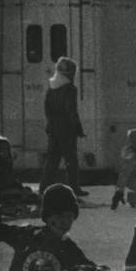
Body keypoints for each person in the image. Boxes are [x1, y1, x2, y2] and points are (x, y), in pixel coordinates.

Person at [41, 57, 87, 197]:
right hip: (66, 128)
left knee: (52, 160)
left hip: (53, 126)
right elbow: (71, 110)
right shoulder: (70, 89)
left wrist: (50, 123)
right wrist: (78, 128)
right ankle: (74, 188)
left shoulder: (51, 87)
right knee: (71, 160)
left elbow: (47, 109)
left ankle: (44, 187)